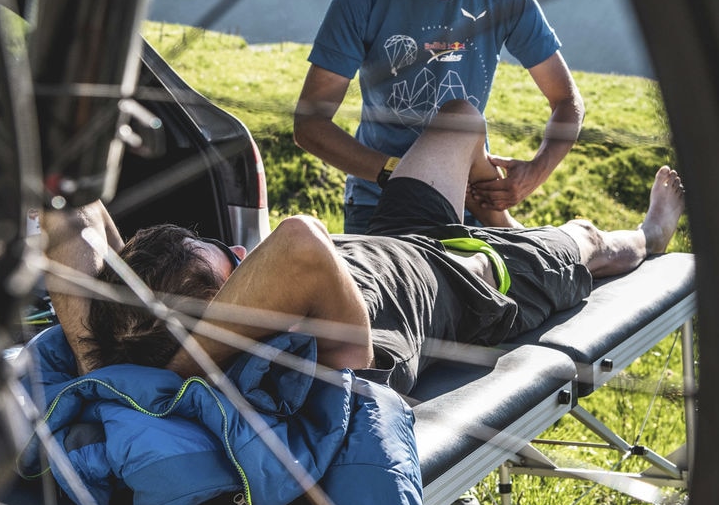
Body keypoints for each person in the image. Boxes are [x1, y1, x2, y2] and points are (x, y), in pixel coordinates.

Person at [44, 99, 685, 396]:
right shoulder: (325, 357)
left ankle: (493, 207)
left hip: (393, 237)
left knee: (461, 117)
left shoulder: (120, 354)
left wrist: (101, 360)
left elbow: (67, 212)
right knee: (587, 240)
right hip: (476, 278)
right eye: (237, 271)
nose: (247, 256)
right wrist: (186, 368)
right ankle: (651, 235)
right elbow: (298, 242)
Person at [294, 0, 585, 233]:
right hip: (379, 200)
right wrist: (397, 173)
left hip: (469, 199)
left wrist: (534, 172)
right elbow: (310, 125)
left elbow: (566, 100)